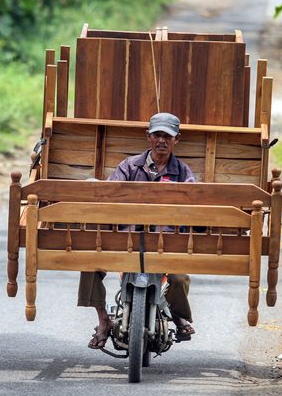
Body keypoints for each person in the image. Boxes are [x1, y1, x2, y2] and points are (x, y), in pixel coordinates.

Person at [78, 112, 197, 349]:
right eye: (157, 135)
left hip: (166, 244)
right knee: (89, 265)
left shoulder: (183, 173)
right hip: (125, 241)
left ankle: (176, 314)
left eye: (167, 136)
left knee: (179, 278)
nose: (161, 140)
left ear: (177, 140)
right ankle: (103, 320)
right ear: (148, 137)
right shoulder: (129, 166)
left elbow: (193, 203)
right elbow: (109, 194)